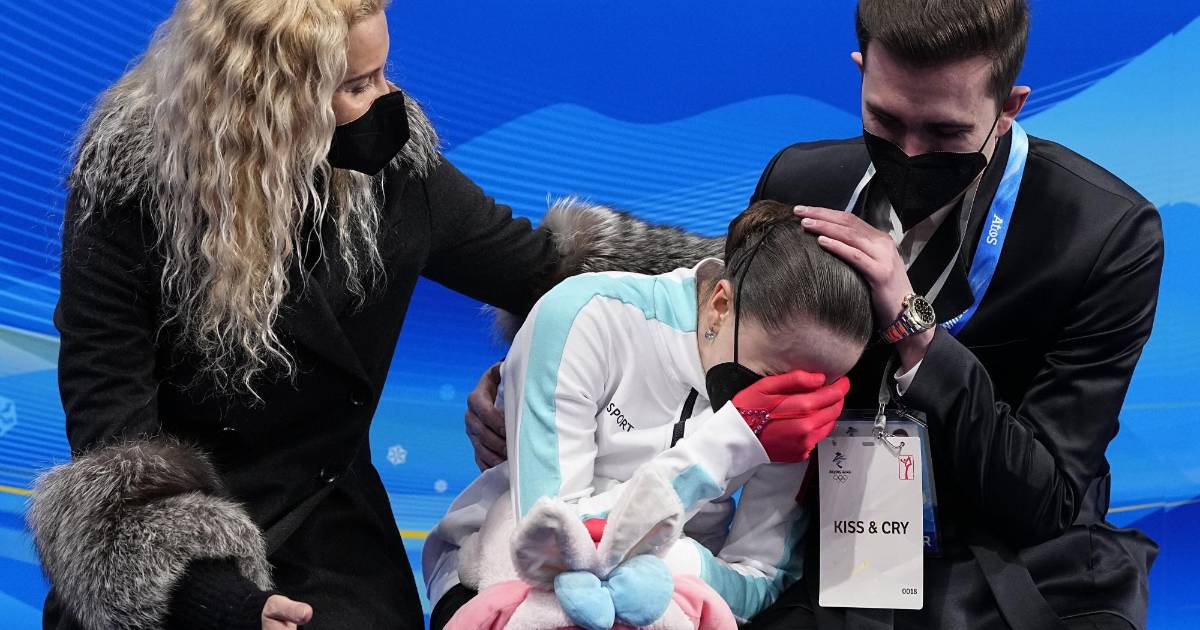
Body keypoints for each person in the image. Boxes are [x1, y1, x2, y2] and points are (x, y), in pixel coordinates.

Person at [465, 1, 1164, 628]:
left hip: (1003, 559)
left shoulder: (1104, 234)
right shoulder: (802, 180)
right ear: (861, 72)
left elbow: (1048, 500)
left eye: (946, 132)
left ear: (1009, 106)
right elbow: (714, 356)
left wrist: (917, 333)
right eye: (885, 120)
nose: (911, 152)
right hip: (814, 540)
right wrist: (532, 389)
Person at [26, 2, 715, 629]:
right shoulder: (130, 189)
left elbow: (550, 272)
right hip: (175, 544)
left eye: (384, 72)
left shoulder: (396, 172)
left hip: (328, 525)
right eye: (358, 85)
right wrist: (218, 601)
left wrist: (744, 273)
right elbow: (112, 435)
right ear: (273, 105)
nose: (389, 101)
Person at [424, 200, 872, 629]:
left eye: (817, 387)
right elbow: (551, 540)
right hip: (494, 577)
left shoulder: (803, 411)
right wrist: (730, 443)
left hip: (674, 603)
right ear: (720, 303)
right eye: (774, 377)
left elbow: (762, 579)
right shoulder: (585, 315)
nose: (789, 402)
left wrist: (674, 566)